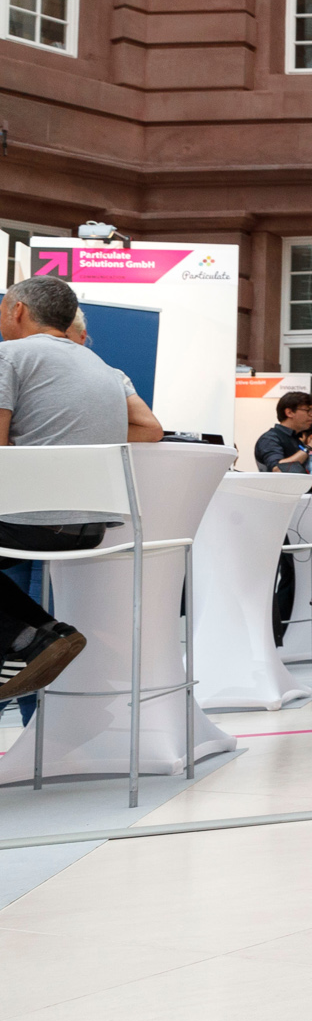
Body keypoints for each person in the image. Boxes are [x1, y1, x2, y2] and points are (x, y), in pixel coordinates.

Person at [0, 276, 163, 702]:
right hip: (90, 524)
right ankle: (47, 634)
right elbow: (151, 430)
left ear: (17, 310)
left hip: (31, 520)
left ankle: (26, 638)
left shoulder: (9, 355)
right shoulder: (105, 369)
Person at [254, 389, 312, 644]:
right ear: (289, 412)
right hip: (276, 516)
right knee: (285, 573)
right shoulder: (269, 439)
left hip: (298, 513)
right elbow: (280, 468)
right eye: (308, 410)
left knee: (297, 573)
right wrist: (308, 448)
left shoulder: (298, 438)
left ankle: (290, 634)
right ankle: (277, 635)